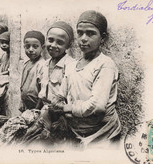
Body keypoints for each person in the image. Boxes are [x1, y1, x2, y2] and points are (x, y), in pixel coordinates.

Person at [59, 10, 121, 147]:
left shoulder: (105, 65)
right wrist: (57, 102)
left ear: (103, 38)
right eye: (80, 33)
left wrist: (65, 108)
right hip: (76, 132)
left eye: (90, 33)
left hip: (102, 134)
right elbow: (61, 93)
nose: (83, 38)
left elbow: (96, 106)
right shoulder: (71, 66)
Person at [19, 30, 46, 112]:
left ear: (43, 47)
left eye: (35, 46)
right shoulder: (26, 64)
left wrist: (36, 110)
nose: (30, 50)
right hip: (27, 106)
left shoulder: (42, 65)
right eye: (27, 46)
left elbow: (42, 92)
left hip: (37, 107)